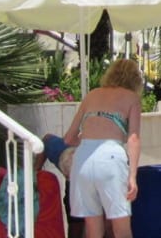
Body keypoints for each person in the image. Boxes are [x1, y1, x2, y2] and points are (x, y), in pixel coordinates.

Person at [63, 58, 143, 238]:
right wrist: (132, 176)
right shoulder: (132, 98)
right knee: (121, 228)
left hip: (83, 158)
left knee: (93, 230)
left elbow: (69, 138)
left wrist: (90, 137)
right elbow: (134, 138)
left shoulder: (92, 95)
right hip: (111, 157)